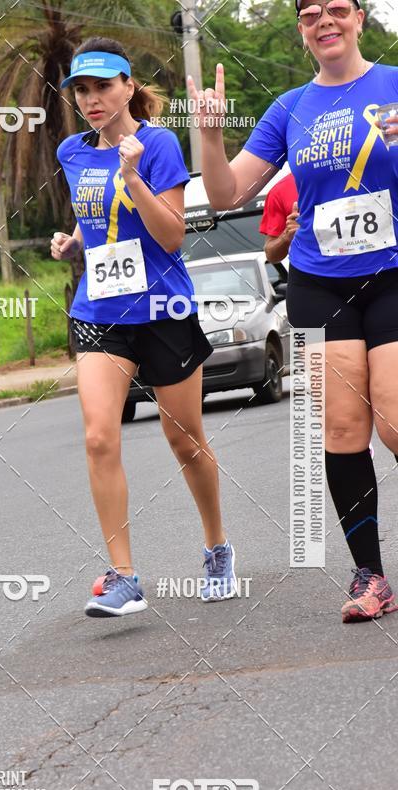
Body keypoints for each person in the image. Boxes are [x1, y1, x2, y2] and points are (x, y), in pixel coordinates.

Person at [188, 0, 398, 623]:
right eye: (309, 14)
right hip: (318, 283)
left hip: (391, 276)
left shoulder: (391, 86)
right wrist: (209, 130)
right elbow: (228, 193)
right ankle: (371, 577)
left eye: (336, 9)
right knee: (340, 430)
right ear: (302, 30)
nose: (324, 22)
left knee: (392, 418)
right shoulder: (289, 109)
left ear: (360, 17)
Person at [52, 36, 239, 617]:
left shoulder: (157, 145)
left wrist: (133, 177)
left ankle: (216, 547)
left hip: (164, 312)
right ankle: (124, 575)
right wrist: (74, 240)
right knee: (99, 436)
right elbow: (98, 215)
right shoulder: (72, 152)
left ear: (129, 86)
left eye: (103, 86)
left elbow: (171, 235)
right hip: (99, 313)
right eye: (81, 89)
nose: (92, 99)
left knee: (184, 439)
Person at [260, 172, 300, 264]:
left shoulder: (340, 173)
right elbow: (271, 255)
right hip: (309, 273)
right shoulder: (280, 190)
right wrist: (287, 235)